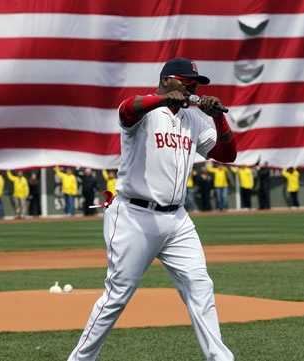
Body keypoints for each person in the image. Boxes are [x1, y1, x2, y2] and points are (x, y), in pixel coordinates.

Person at [66, 57, 236, 361]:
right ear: (168, 79)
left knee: (200, 286)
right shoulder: (145, 112)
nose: (193, 89)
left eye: (196, 84)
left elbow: (227, 153)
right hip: (134, 216)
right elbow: (126, 109)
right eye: (188, 83)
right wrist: (161, 99)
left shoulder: (194, 119)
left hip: (177, 219)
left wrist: (217, 118)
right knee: (117, 296)